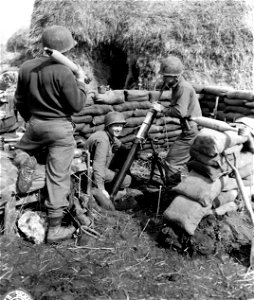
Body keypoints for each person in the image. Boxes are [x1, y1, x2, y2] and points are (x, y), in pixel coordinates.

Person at [14, 25, 88, 243]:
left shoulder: (26, 67)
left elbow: (19, 101)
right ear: (66, 48)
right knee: (58, 176)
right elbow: (77, 106)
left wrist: (32, 120)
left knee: (18, 151)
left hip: (35, 125)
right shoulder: (65, 71)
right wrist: (81, 82)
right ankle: (54, 229)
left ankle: (24, 161)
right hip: (59, 130)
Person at [152, 55, 202, 186]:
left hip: (191, 131)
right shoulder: (177, 86)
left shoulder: (183, 87)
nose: (164, 78)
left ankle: (173, 191)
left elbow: (180, 112)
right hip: (189, 129)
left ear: (175, 76)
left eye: (166, 76)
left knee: (172, 161)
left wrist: (162, 109)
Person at [84, 111, 132, 210]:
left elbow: (121, 146)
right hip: (90, 171)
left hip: (95, 169)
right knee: (127, 180)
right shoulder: (103, 140)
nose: (119, 129)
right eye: (116, 126)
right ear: (108, 126)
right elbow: (98, 166)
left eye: (120, 126)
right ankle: (101, 191)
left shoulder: (108, 136)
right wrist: (101, 189)